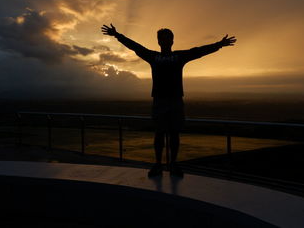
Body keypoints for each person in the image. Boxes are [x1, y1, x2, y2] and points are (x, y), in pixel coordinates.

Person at [101, 24, 236, 177]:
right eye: (162, 39)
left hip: (175, 100)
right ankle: (159, 164)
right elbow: (135, 46)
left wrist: (219, 44)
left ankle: (173, 164)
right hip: (160, 100)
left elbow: (199, 51)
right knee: (159, 133)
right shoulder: (154, 56)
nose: (165, 41)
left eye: (167, 38)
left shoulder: (177, 56)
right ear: (159, 41)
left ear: (172, 41)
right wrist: (117, 35)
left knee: (174, 134)